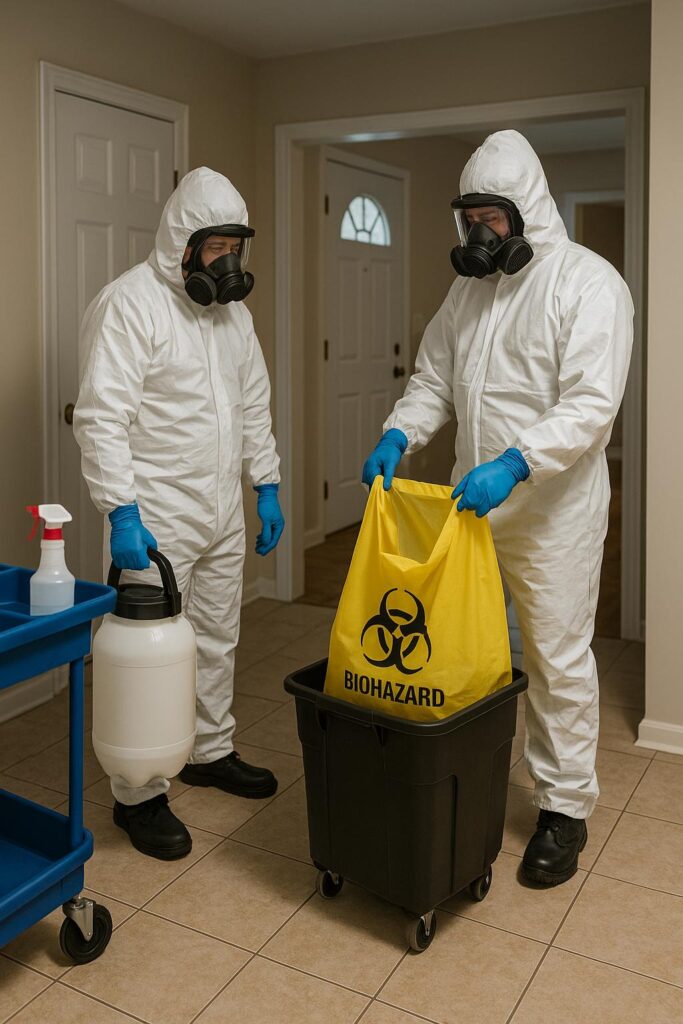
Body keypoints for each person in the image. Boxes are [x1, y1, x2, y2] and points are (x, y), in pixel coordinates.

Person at [362, 130, 633, 887]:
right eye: (470, 218)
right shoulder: (467, 292)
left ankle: (563, 807)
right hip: (472, 509)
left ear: (526, 213)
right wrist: (399, 432)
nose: (479, 232)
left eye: (492, 218)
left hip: (551, 514)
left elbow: (591, 405)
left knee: (553, 657)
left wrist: (516, 462)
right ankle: (463, 775)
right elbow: (433, 379)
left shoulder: (588, 283)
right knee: (465, 651)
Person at [74, 167, 284, 860]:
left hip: (221, 507)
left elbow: (252, 403)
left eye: (234, 249)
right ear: (183, 246)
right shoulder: (129, 304)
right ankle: (138, 793)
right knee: (146, 656)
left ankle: (209, 750)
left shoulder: (234, 316)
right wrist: (121, 511)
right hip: (154, 512)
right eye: (215, 248)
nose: (227, 262)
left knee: (218, 634)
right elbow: (102, 417)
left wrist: (266, 483)